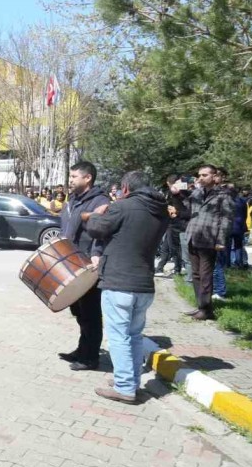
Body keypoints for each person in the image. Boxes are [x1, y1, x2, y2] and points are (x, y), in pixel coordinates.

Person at [81, 171, 170, 404]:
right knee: (134, 336)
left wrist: (96, 214)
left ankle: (125, 387)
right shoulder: (160, 210)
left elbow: (96, 229)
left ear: (126, 188)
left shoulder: (123, 206)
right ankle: (131, 380)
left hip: (119, 282)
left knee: (118, 337)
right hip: (144, 284)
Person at [57, 161, 111, 371]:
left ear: (87, 178)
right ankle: (82, 349)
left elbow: (101, 233)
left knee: (90, 312)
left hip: (88, 265)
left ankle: (90, 357)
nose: (70, 180)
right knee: (78, 311)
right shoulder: (73, 200)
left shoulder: (100, 201)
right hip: (71, 263)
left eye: (74, 177)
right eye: (70, 176)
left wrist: (96, 254)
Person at [182, 165, 232, 320]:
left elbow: (226, 219)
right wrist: (178, 194)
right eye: (199, 175)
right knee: (196, 274)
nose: (201, 178)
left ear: (214, 176)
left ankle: (206, 309)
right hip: (193, 236)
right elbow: (186, 209)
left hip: (209, 239)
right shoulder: (197, 192)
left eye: (205, 175)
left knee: (205, 275)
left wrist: (220, 240)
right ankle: (201, 306)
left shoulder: (223, 195)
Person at [155, 173, 187, 278]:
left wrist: (173, 211)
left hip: (177, 223)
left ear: (169, 183)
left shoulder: (180, 193)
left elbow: (179, 208)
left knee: (174, 248)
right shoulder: (176, 193)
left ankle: (177, 269)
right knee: (166, 247)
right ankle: (160, 268)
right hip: (171, 223)